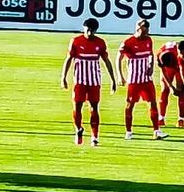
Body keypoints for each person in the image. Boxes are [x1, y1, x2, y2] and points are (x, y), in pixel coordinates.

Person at [60, 17, 116, 146]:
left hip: (94, 81)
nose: (90, 33)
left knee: (94, 107)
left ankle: (94, 136)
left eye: (93, 31)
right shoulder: (76, 41)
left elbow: (106, 61)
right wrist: (63, 77)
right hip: (79, 80)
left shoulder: (100, 43)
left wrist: (113, 79)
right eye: (88, 30)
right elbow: (68, 59)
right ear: (84, 28)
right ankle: (78, 129)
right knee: (77, 106)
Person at [116, 19, 168, 141]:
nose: (145, 32)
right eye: (143, 29)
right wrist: (120, 75)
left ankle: (156, 131)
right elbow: (119, 57)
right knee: (130, 105)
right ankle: (128, 131)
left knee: (153, 103)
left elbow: (150, 54)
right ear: (137, 28)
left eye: (147, 29)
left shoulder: (148, 40)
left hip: (146, 79)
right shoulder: (128, 42)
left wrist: (151, 66)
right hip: (134, 80)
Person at [156, 42, 184, 128]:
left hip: (180, 67)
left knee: (181, 90)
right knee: (164, 89)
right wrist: (171, 86)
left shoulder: (180, 55)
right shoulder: (159, 55)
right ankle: (161, 118)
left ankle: (181, 119)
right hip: (168, 68)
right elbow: (163, 71)